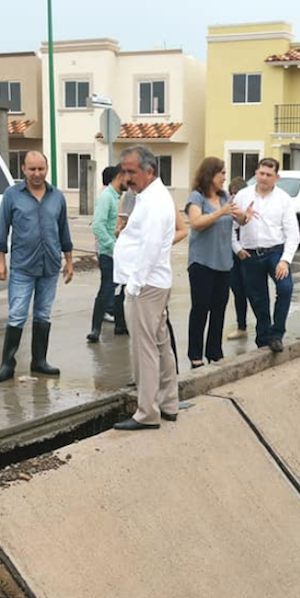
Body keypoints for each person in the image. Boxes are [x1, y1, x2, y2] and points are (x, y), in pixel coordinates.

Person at [0, 150, 74, 379]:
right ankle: (8, 364)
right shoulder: (11, 195)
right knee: (17, 314)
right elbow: (2, 231)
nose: (37, 173)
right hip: (22, 266)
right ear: (23, 170)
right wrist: (0, 262)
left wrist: (69, 261)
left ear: (47, 169)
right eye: (32, 169)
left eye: (41, 169)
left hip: (50, 266)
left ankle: (39, 361)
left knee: (43, 314)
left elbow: (63, 231)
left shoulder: (57, 196)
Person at [112, 145, 179, 430]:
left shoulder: (152, 201)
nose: (126, 177)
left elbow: (150, 247)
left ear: (149, 171)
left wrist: (134, 286)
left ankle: (147, 412)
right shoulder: (152, 195)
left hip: (146, 285)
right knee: (160, 344)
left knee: (145, 349)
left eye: (131, 171)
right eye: (124, 171)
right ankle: (168, 403)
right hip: (155, 282)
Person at [231, 158, 300, 352]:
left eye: (269, 175)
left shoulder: (283, 199)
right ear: (256, 173)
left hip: (275, 252)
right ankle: (263, 338)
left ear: (276, 177)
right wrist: (237, 248)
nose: (264, 178)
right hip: (250, 254)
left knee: (285, 288)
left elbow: (293, 233)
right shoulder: (243, 196)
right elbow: (232, 226)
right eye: (261, 173)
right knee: (258, 298)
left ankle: (277, 333)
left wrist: (285, 260)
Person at [184, 157, 234, 367]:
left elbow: (234, 218)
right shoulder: (196, 198)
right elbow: (196, 223)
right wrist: (220, 213)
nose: (224, 177)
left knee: (219, 308)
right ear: (210, 174)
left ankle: (214, 351)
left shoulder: (224, 197)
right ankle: (195, 355)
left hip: (223, 262)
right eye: (221, 173)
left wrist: (244, 216)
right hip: (202, 262)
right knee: (200, 308)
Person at [88, 164, 127, 343]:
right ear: (120, 176)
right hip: (109, 253)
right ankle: (95, 329)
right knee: (107, 289)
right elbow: (98, 225)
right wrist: (113, 246)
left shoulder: (121, 197)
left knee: (124, 288)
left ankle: (121, 325)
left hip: (122, 252)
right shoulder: (106, 197)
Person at [226, 175, 250, 340]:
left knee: (254, 291)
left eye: (237, 193)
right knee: (238, 291)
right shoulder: (228, 207)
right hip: (234, 255)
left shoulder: (250, 206)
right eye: (232, 193)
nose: (234, 197)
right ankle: (241, 326)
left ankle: (265, 325)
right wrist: (237, 249)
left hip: (250, 253)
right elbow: (229, 231)